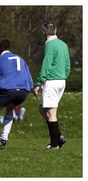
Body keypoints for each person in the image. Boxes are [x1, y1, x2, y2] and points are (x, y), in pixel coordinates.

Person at [0, 39, 34, 148]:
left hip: (8, 90)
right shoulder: (20, 58)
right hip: (23, 91)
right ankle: (4, 139)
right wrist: (30, 88)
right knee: (9, 109)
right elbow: (29, 76)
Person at [33, 21, 70, 150]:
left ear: (44, 32)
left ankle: (55, 144)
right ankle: (58, 136)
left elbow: (46, 65)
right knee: (42, 110)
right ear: (55, 30)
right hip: (61, 81)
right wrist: (63, 76)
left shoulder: (49, 45)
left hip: (51, 81)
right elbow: (67, 65)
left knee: (51, 113)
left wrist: (38, 82)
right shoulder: (63, 44)